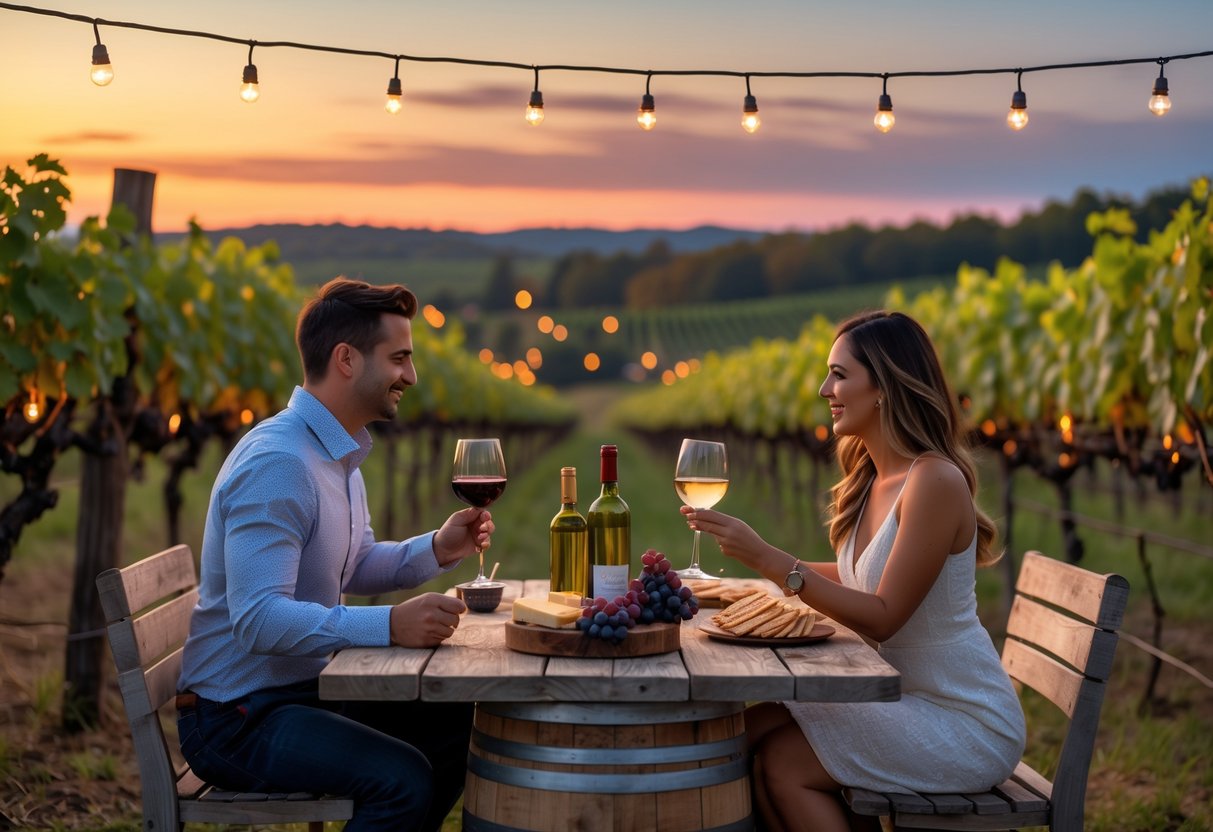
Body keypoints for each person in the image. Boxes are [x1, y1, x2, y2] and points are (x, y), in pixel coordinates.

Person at [682, 310, 1026, 832]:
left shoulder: (933, 480)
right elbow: (862, 577)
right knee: (740, 730)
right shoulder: (872, 475)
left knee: (782, 764)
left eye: (839, 374)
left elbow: (883, 616)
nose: (825, 389)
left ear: (884, 385)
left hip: (961, 720)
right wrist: (757, 575)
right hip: (899, 698)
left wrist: (771, 560)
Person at [176, 277, 493, 832]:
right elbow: (258, 620)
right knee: (402, 778)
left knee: (457, 721)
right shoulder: (280, 463)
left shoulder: (335, 453)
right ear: (347, 359)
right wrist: (390, 624)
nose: (411, 377)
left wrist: (438, 548)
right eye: (399, 358)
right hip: (239, 716)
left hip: (299, 690)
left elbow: (355, 563)